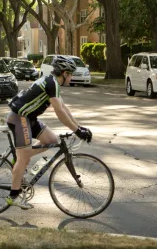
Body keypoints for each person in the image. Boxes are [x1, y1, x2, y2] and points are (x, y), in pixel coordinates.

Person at [5, 55, 92, 209]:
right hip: (19, 118)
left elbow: (64, 109)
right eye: (70, 74)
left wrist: (79, 128)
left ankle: (21, 157)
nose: (71, 78)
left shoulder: (52, 83)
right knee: (23, 159)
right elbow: (59, 112)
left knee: (52, 140)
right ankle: (13, 196)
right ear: (64, 73)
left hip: (28, 118)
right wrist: (77, 131)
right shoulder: (52, 83)